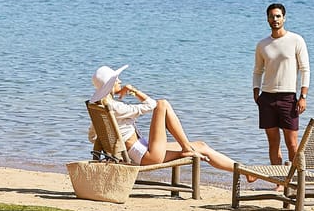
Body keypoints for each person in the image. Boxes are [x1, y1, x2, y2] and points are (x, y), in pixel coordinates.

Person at [90, 64, 236, 172]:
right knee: (162, 104)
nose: (120, 81)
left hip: (141, 150)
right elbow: (151, 104)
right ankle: (186, 148)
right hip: (146, 156)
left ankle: (242, 171)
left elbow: (92, 136)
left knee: (201, 146)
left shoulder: (101, 107)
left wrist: (117, 150)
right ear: (110, 85)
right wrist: (133, 91)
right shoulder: (116, 108)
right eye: (116, 79)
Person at [252, 2, 310, 164]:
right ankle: (278, 178)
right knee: (273, 143)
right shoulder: (262, 44)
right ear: (267, 19)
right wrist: (256, 93)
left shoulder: (296, 40)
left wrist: (303, 96)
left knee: (292, 144)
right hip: (267, 98)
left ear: (284, 18)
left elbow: (305, 69)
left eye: (278, 16)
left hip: (288, 98)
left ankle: (296, 177)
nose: (275, 19)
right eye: (272, 17)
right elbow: (257, 71)